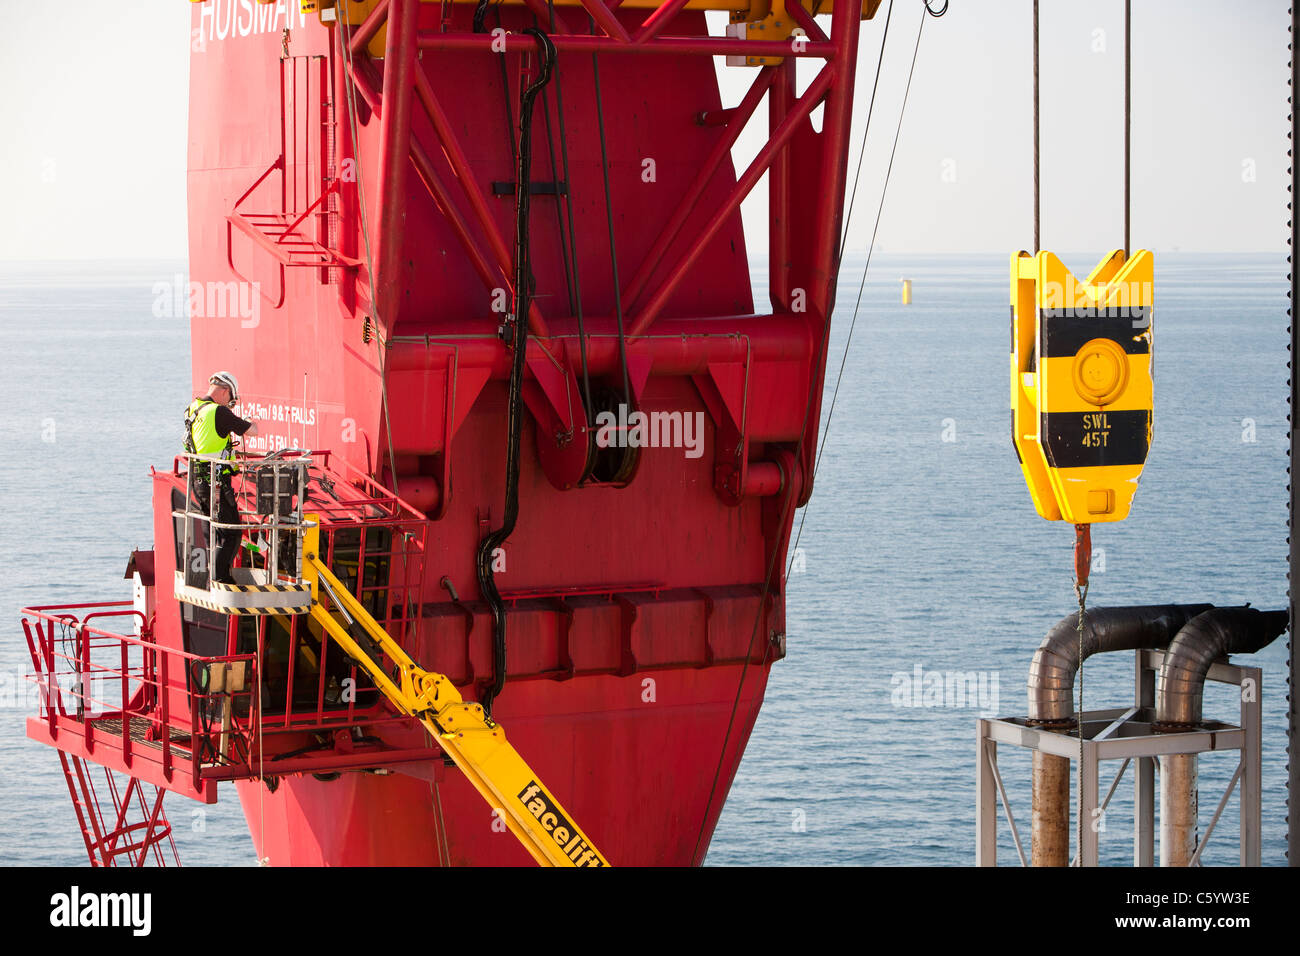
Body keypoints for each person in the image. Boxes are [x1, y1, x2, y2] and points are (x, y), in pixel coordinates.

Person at [184, 371, 259, 585]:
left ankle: (212, 574)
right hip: (215, 482)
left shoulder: (192, 410)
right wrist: (248, 420)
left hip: (198, 480)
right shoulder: (218, 412)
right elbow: (252, 431)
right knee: (232, 532)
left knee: (214, 530)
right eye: (230, 400)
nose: (229, 405)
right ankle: (221, 578)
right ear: (225, 391)